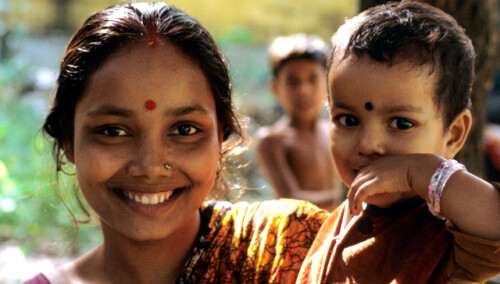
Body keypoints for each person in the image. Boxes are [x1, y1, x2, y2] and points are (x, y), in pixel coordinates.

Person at [23, 2, 329, 283]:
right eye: (113, 131)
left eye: (184, 129)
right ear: (68, 140)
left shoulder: (293, 251)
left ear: (221, 136)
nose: (151, 166)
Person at [297, 1, 500, 283]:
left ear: (453, 134)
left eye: (401, 123)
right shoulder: (337, 221)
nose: (368, 144)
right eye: (348, 120)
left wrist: (420, 170)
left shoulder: (449, 234)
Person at [255, 34, 342, 211]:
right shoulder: (272, 140)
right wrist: (348, 196)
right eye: (293, 81)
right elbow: (291, 200)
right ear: (275, 88)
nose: (303, 90)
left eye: (312, 79)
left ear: (327, 83)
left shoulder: (338, 132)